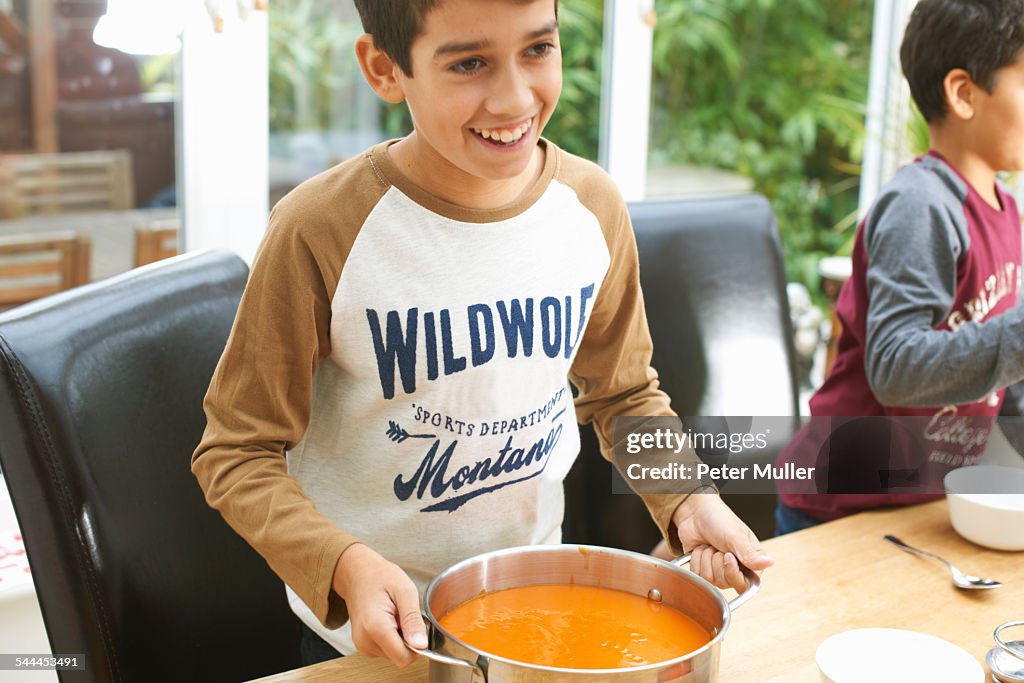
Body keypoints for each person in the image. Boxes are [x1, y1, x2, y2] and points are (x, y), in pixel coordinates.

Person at [191, 0, 772, 668]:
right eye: (470, 63)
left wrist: (688, 500)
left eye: (538, 50)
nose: (514, 97)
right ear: (384, 68)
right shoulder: (319, 230)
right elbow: (236, 452)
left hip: (542, 620)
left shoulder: (592, 207)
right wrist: (341, 564)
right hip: (377, 644)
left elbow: (623, 395)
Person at [776, 0, 1024, 534]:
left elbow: (1000, 369)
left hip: (914, 505)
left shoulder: (1006, 214)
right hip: (836, 505)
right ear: (963, 93)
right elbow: (894, 368)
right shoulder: (922, 206)